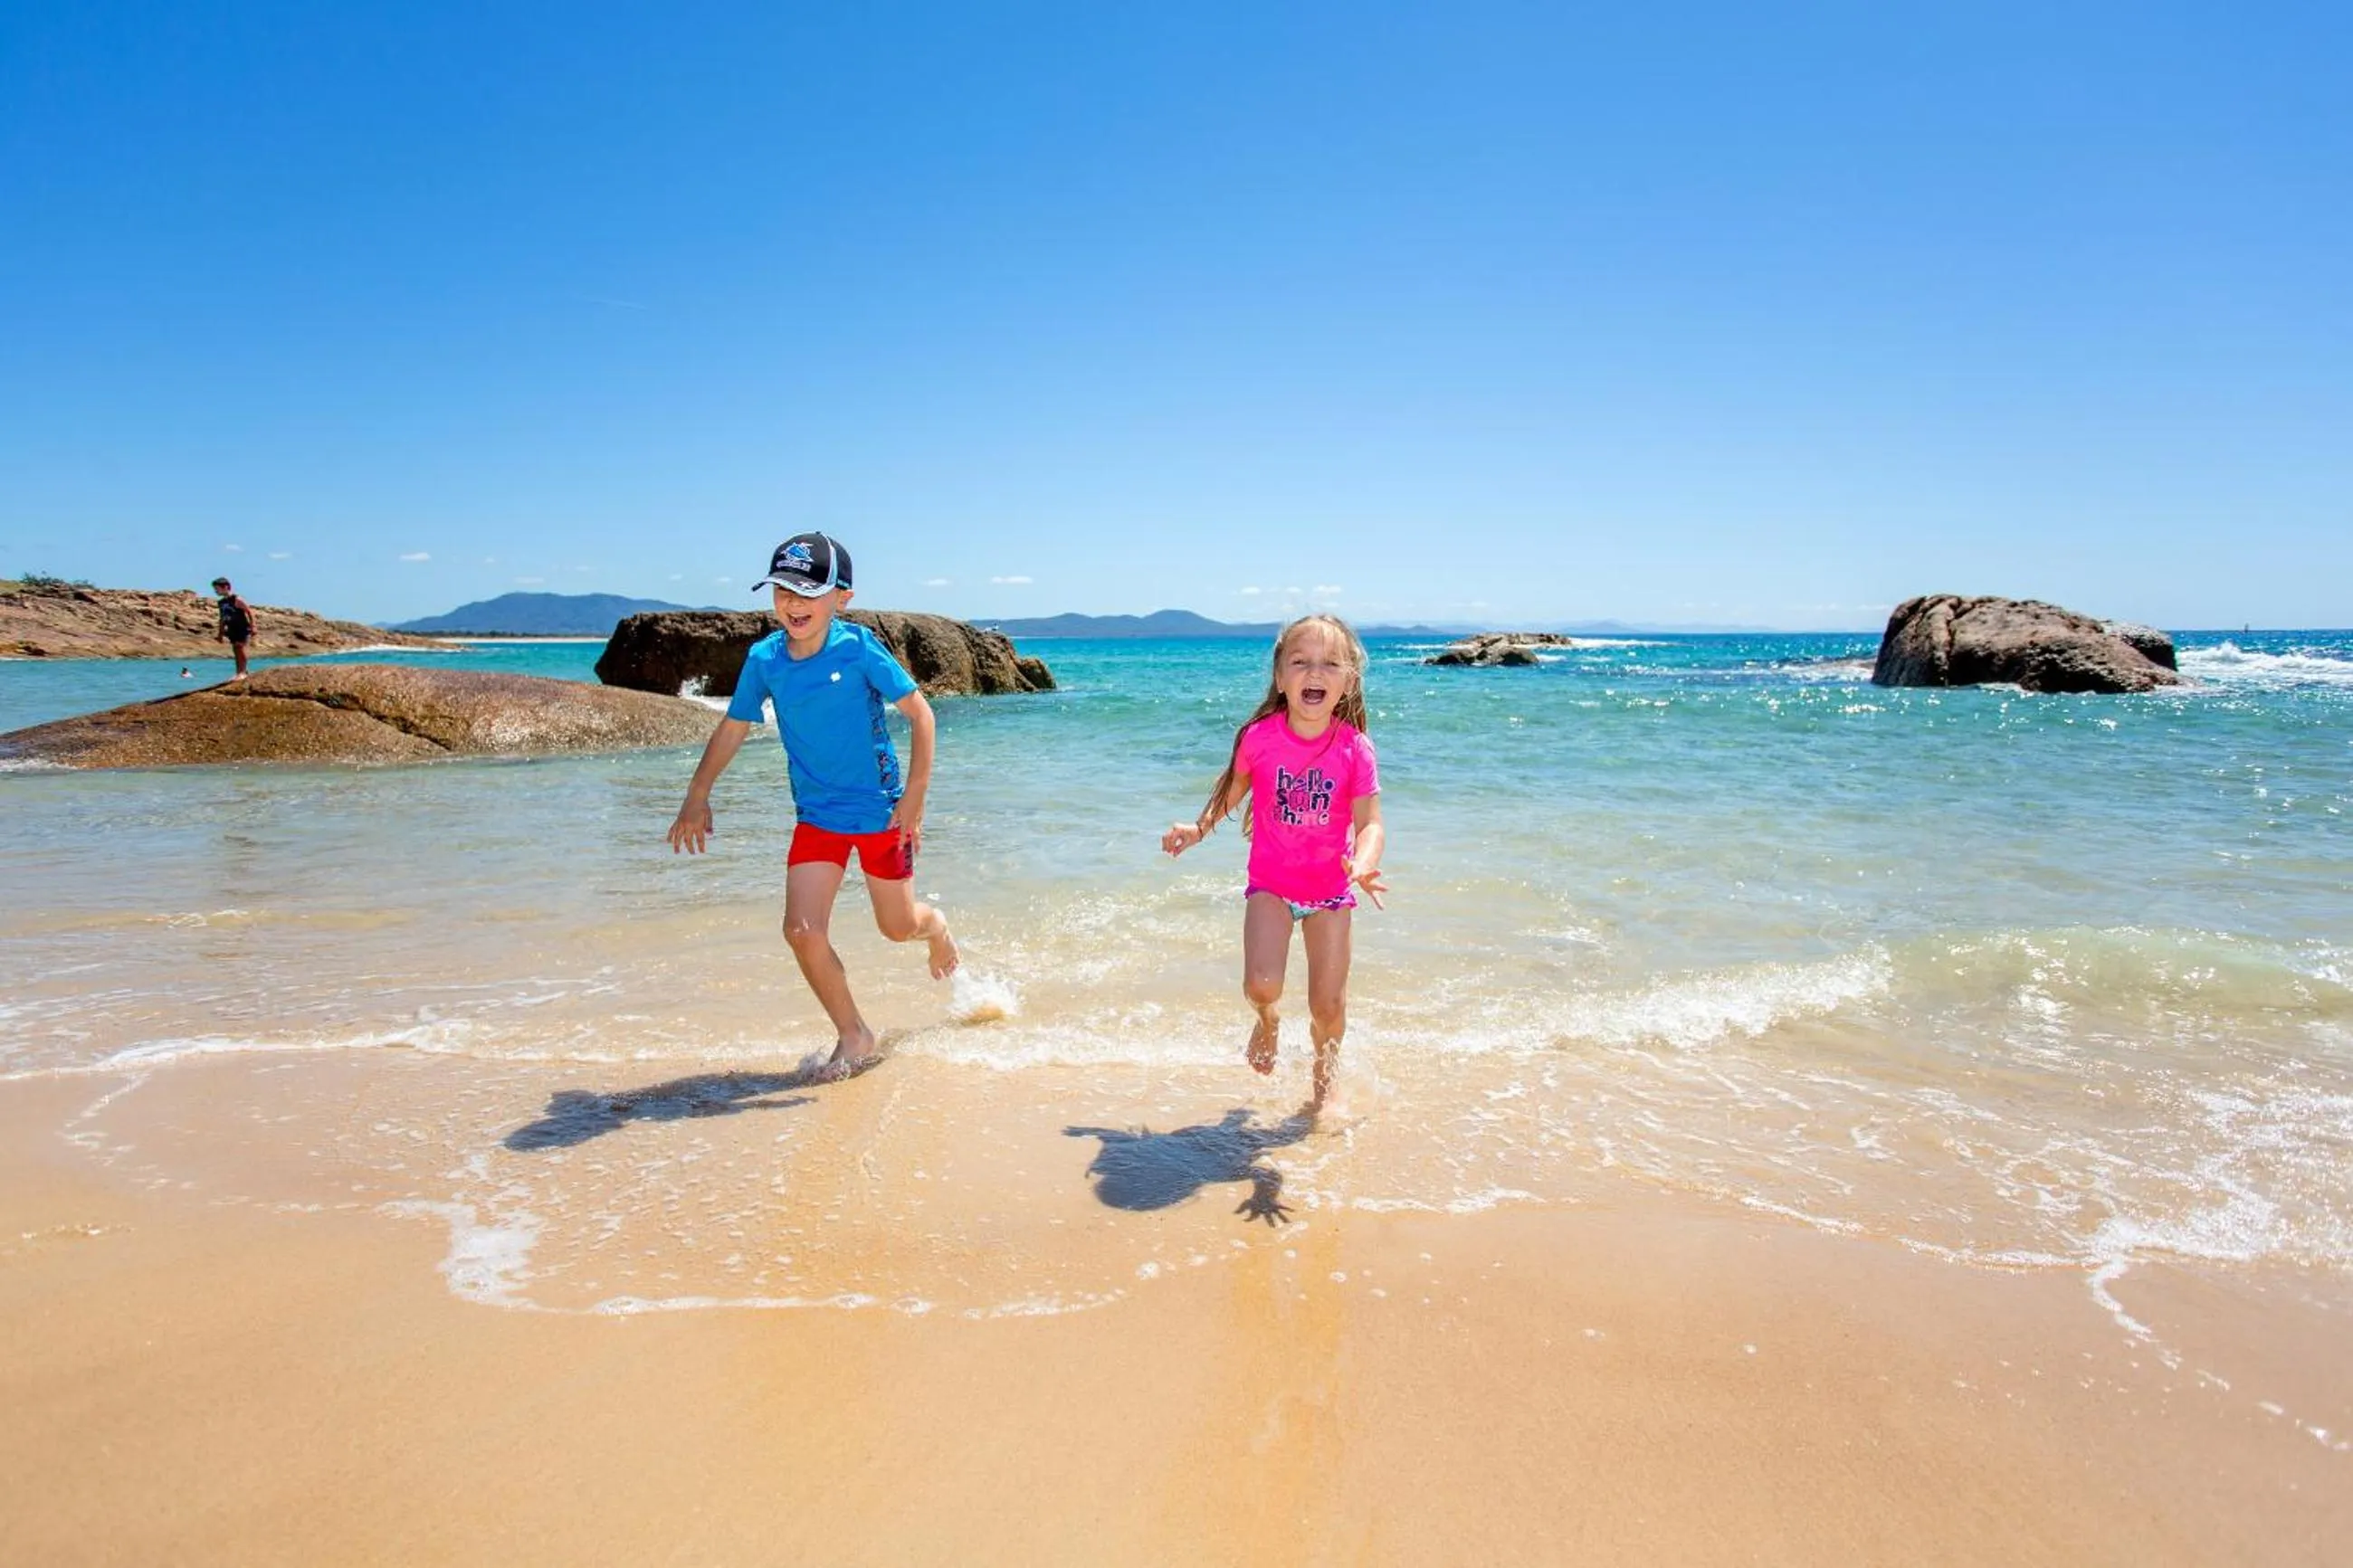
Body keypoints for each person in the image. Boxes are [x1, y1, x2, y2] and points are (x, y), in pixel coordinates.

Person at [666, 533, 958, 1080]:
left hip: (880, 812)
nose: (793, 603)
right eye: (783, 590)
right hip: (817, 816)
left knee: (897, 927)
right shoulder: (764, 660)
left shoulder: (859, 648)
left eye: (807, 591)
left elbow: (922, 715)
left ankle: (936, 928)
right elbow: (733, 727)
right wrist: (697, 794)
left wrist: (915, 797)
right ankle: (855, 1034)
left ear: (840, 597)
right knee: (801, 930)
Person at [1162, 613, 1386, 1113]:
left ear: (1349, 680)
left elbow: (1371, 822)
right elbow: (1233, 792)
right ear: (1281, 678)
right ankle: (1267, 1021)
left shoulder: (1354, 749)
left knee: (1328, 1006)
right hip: (1272, 886)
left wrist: (1365, 862)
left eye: (1331, 664)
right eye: (1301, 662)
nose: (1315, 673)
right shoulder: (1261, 737)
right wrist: (1198, 829)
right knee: (1261, 984)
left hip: (1331, 891)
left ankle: (1324, 1086)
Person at [212, 577, 254, 679]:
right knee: (235, 649)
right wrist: (220, 634)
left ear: (225, 587)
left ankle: (243, 672)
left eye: (217, 588)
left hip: (242, 627)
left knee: (240, 647)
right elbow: (222, 618)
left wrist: (253, 626)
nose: (215, 591)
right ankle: (239, 672)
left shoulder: (236, 599)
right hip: (232, 628)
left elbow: (249, 612)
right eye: (215, 589)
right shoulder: (221, 603)